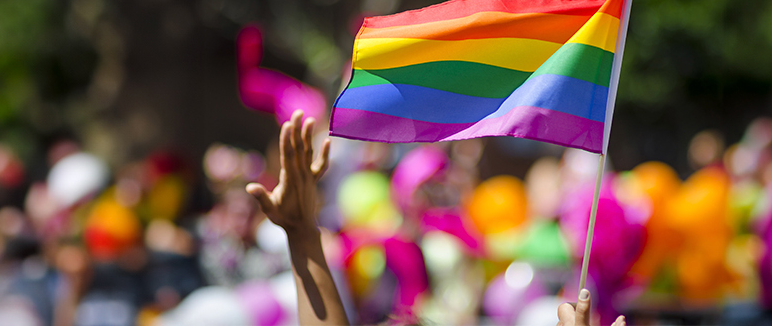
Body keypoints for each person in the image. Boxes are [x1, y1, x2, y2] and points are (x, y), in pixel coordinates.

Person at [247, 110, 625, 326]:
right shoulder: (394, 238)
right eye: (430, 187)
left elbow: (488, 249)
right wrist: (304, 237)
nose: (439, 193)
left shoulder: (461, 229)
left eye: (442, 186)